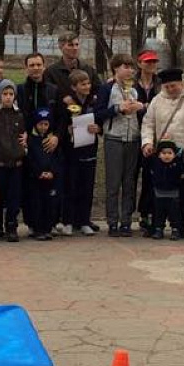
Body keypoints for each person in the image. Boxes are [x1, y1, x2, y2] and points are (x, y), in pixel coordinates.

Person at [140, 67, 184, 239]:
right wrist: (147, 143)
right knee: (159, 190)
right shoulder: (157, 101)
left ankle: (182, 225)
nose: (171, 89)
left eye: (174, 86)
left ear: (181, 83)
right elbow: (148, 123)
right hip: (162, 156)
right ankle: (157, 224)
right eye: (168, 87)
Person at [94, 54, 147, 237]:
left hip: (133, 138)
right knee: (113, 183)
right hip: (114, 139)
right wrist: (117, 109)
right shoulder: (106, 88)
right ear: (116, 68)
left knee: (129, 183)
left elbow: (142, 113)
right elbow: (98, 113)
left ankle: (126, 221)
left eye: (132, 67)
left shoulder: (135, 89)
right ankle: (112, 222)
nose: (130, 70)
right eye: (126, 66)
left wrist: (141, 107)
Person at [0, 79, 27, 241]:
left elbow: (23, 136)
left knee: (13, 199)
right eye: (5, 94)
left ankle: (11, 226)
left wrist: (23, 149)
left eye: (11, 94)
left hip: (15, 164)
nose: (8, 97)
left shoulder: (19, 115)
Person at [62, 70, 100, 236]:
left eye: (88, 83)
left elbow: (100, 121)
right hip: (72, 152)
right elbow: (61, 123)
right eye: (83, 84)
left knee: (87, 187)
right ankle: (68, 221)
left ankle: (84, 221)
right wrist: (68, 130)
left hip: (90, 149)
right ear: (73, 87)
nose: (87, 87)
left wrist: (98, 128)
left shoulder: (94, 101)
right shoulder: (68, 103)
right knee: (71, 186)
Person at [134, 50, 163, 236]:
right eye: (147, 62)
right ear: (140, 64)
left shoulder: (160, 84)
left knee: (150, 177)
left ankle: (147, 213)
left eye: (153, 62)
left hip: (154, 135)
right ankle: (126, 215)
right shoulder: (131, 83)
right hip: (132, 134)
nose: (151, 65)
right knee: (130, 176)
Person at [27, 108, 61, 240]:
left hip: (50, 179)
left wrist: (52, 172)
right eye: (40, 124)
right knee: (36, 203)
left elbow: (58, 159)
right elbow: (29, 159)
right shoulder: (31, 140)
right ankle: (37, 229)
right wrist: (38, 173)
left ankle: (47, 228)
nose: (43, 127)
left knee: (50, 203)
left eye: (46, 124)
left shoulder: (52, 140)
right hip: (36, 178)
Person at [146, 141, 184, 240]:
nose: (167, 156)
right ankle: (158, 229)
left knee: (174, 215)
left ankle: (175, 230)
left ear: (174, 154)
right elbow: (146, 163)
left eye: (170, 153)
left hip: (173, 195)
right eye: (164, 153)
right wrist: (148, 153)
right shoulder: (155, 163)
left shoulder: (177, 164)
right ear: (158, 154)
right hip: (158, 194)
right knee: (158, 214)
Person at [44, 32, 102, 107]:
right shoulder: (51, 72)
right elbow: (48, 95)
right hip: (61, 115)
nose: (75, 48)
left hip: (85, 114)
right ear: (61, 47)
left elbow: (98, 90)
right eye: (70, 45)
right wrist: (62, 99)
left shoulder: (88, 69)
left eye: (77, 45)